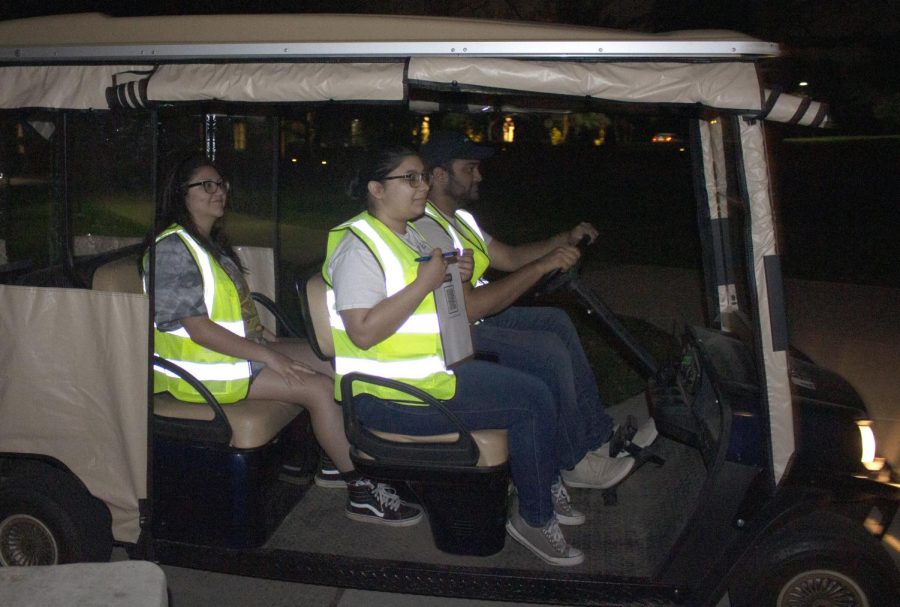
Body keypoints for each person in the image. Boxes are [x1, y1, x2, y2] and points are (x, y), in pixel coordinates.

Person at [324, 145, 583, 566]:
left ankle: (543, 485)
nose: (422, 185)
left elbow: (427, 307)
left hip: (427, 381)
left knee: (535, 383)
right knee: (531, 400)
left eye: (423, 176)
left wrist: (451, 275)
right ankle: (535, 516)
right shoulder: (358, 249)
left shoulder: (411, 235)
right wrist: (426, 282)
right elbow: (364, 331)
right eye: (409, 178)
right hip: (388, 399)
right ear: (376, 189)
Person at [143, 154, 421, 527]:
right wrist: (268, 356)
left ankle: (333, 459)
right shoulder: (173, 249)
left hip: (228, 355)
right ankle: (362, 490)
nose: (219, 193)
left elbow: (229, 311)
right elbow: (197, 327)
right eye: (206, 186)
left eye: (221, 185)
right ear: (180, 195)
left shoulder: (206, 244)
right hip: (199, 371)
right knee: (320, 389)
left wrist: (265, 338)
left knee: (334, 360)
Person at [413, 131, 658, 491]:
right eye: (470, 168)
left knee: (556, 321)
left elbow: (510, 258)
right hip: (454, 334)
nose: (479, 176)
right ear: (438, 175)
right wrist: (543, 267)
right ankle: (573, 461)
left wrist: (564, 239)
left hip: (479, 318)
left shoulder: (461, 219)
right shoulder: (428, 228)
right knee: (547, 351)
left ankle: (597, 437)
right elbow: (469, 308)